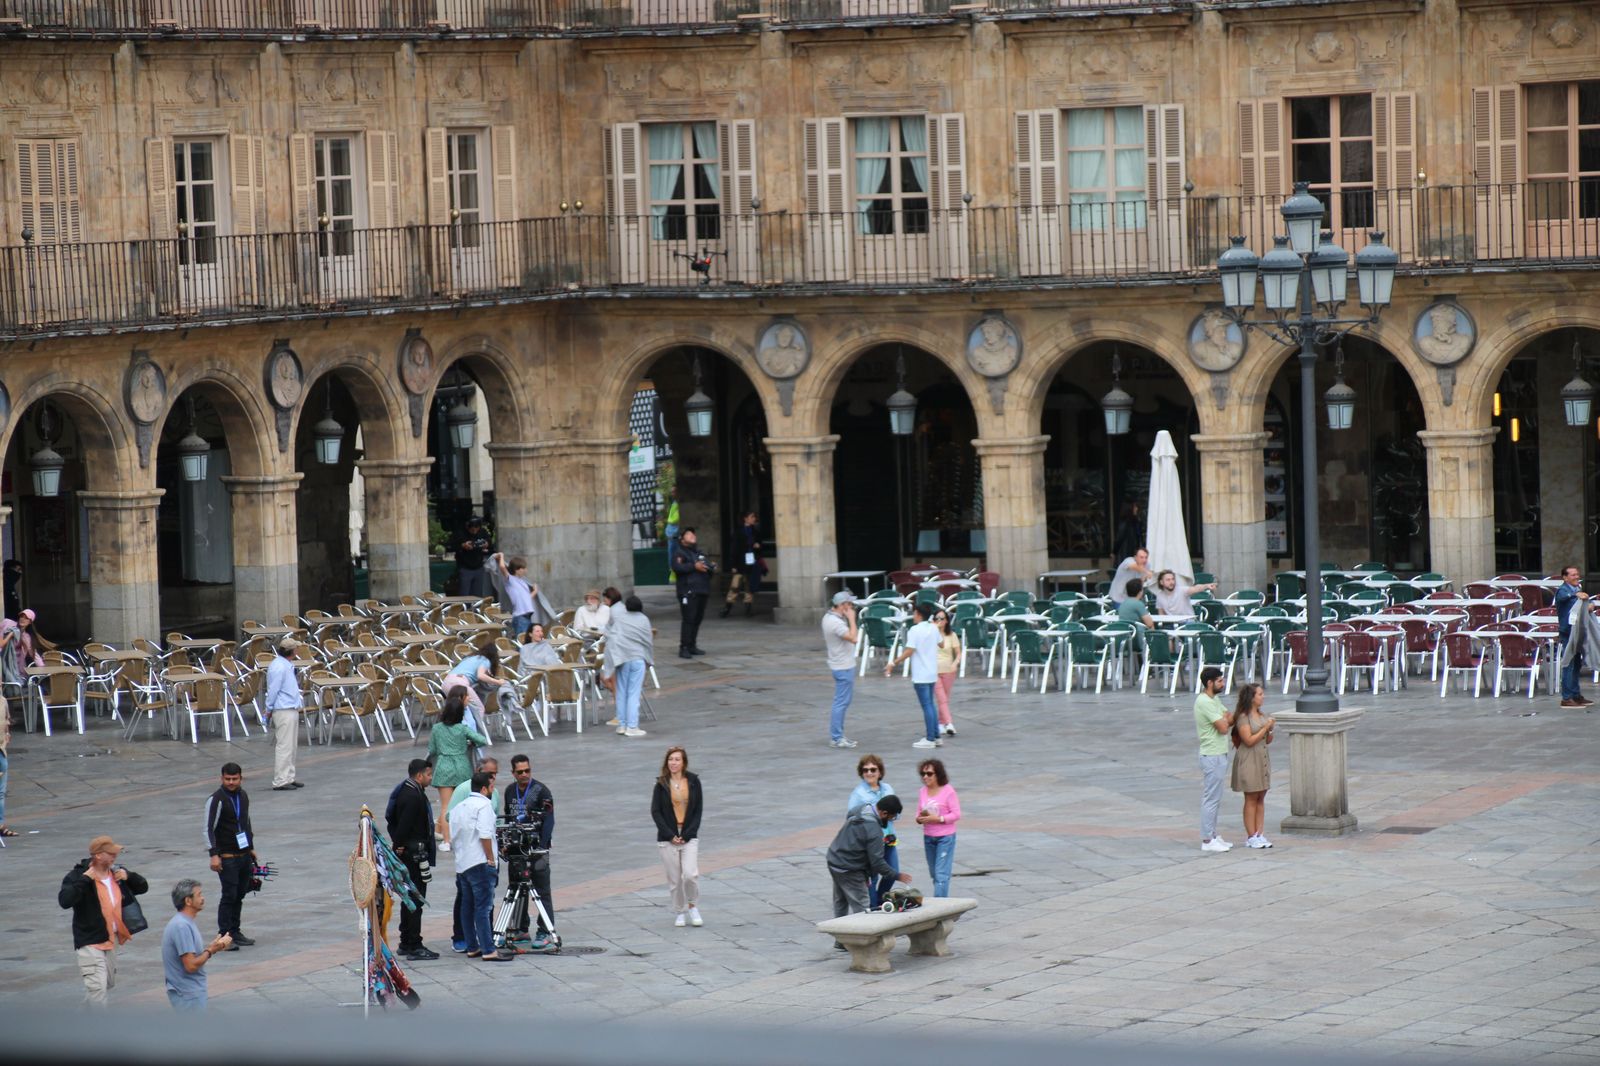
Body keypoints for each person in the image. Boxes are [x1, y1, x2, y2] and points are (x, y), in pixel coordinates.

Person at [59, 835, 149, 1007]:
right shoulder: (78, 876)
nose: (115, 856)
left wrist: (129, 876)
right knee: (97, 990)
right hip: (90, 941)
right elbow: (65, 901)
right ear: (98, 855)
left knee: (106, 984)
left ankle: (78, 1019)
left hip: (111, 939)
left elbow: (143, 887)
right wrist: (85, 880)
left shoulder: (116, 873)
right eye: (111, 853)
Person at [449, 770, 509, 961]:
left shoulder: (459, 807)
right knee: (483, 907)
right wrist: (491, 858)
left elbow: (453, 837)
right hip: (480, 862)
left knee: (467, 907)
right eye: (491, 787)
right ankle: (488, 949)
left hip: (463, 863)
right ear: (484, 789)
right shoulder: (484, 806)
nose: (492, 790)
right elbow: (485, 834)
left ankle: (472, 947)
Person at [385, 758, 439, 961]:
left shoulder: (405, 790)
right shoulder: (413, 796)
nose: (431, 778)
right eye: (429, 774)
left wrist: (398, 844)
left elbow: (392, 819)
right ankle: (414, 944)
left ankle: (406, 941)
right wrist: (399, 844)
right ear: (419, 775)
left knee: (409, 898)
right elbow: (404, 826)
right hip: (413, 855)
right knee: (416, 898)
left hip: (409, 851)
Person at [825, 795, 911, 919]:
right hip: (850, 868)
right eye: (891, 818)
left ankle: (838, 929)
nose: (890, 821)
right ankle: (865, 931)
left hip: (834, 859)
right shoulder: (874, 830)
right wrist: (896, 875)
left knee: (841, 900)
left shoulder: (861, 809)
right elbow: (877, 862)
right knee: (862, 906)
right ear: (884, 813)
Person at [502, 754, 556, 948]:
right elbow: (508, 817)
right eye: (520, 772)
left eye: (527, 770)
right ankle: (520, 928)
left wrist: (542, 846)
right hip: (517, 848)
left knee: (542, 890)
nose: (524, 774)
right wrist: (506, 843)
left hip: (537, 848)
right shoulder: (510, 790)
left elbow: (549, 820)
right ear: (513, 773)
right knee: (517, 888)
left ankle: (545, 930)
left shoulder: (541, 791)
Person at [204, 762, 258, 946]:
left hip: (243, 854)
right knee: (229, 895)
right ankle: (224, 935)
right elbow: (208, 828)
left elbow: (246, 821)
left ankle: (235, 931)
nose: (231, 782)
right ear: (222, 778)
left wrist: (250, 846)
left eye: (235, 779)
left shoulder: (243, 796)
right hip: (227, 856)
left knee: (240, 894)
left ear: (241, 778)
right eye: (227, 779)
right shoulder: (216, 799)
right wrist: (214, 854)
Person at [427, 693, 489, 849]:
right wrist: (469, 744)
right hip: (462, 766)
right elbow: (482, 740)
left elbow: (432, 749)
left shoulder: (437, 729)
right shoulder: (462, 728)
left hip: (444, 767)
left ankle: (447, 841)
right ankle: (463, 837)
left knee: (445, 806)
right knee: (463, 804)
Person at [651, 746, 703, 928]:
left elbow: (698, 810)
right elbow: (656, 812)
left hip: (689, 836)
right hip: (668, 838)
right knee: (674, 879)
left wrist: (687, 834)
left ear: (683, 762)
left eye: (677, 759)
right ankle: (679, 911)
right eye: (671, 759)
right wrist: (669, 835)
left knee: (690, 875)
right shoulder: (661, 784)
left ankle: (693, 906)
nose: (673, 763)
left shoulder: (693, 781)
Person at [161, 879, 232, 1012]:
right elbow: (191, 965)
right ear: (188, 901)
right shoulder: (182, 926)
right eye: (199, 895)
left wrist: (213, 947)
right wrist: (211, 950)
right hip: (188, 994)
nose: (203, 898)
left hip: (189, 992)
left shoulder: (184, 922)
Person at [885, 602, 943, 750]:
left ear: (918, 614)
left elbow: (909, 651)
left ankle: (930, 738)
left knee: (927, 706)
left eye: (914, 613)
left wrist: (894, 662)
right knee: (931, 705)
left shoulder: (914, 630)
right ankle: (936, 736)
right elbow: (941, 644)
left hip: (921, 674)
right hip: (932, 672)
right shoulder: (933, 628)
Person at [847, 755, 898, 908]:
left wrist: (892, 814)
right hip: (870, 844)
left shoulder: (888, 789)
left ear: (880, 772)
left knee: (893, 872)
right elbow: (851, 818)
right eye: (866, 770)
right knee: (872, 879)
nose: (869, 773)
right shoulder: (858, 794)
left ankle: (881, 899)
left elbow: (896, 813)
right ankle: (873, 908)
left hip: (888, 840)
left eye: (873, 769)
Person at [1194, 666, 1235, 853]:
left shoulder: (1214, 699)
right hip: (1211, 754)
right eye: (1219, 681)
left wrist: (1224, 720)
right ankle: (1207, 839)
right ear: (1209, 683)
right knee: (1211, 798)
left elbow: (1229, 717)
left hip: (1219, 752)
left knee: (1216, 797)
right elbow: (1223, 727)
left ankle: (1212, 834)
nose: (1223, 683)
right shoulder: (1204, 702)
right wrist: (1223, 720)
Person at [1230, 683, 1275, 849]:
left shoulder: (1262, 715)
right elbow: (1248, 740)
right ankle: (1251, 835)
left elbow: (1267, 740)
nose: (1263, 697)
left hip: (1262, 757)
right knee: (1251, 797)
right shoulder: (1244, 717)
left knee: (1261, 796)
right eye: (1260, 694)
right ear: (1252, 697)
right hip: (1249, 759)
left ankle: (1259, 833)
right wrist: (1265, 728)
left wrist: (1270, 730)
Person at [606, 594, 654, 738]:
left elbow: (611, 637)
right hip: (638, 658)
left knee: (621, 692)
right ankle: (632, 726)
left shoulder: (620, 619)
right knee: (634, 693)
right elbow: (648, 640)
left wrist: (611, 662)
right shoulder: (644, 619)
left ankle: (622, 725)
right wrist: (649, 660)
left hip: (622, 659)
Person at [444, 640, 514, 735]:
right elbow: (480, 676)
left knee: (458, 709)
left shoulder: (469, 658)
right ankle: (474, 735)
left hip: (446, 682)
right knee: (478, 708)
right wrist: (498, 682)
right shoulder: (485, 660)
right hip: (459, 683)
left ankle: (453, 733)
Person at [264, 637, 305, 791]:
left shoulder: (285, 665)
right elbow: (273, 690)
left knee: (291, 746)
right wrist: (268, 709)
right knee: (284, 746)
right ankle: (280, 780)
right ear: (292, 651)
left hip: (290, 708)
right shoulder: (279, 667)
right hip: (283, 709)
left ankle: (289, 777)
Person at [916, 758, 961, 898]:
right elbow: (919, 812)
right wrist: (920, 818)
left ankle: (939, 905)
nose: (925, 777)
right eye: (923, 774)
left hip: (945, 837)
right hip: (929, 836)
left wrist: (939, 819)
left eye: (929, 774)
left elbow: (956, 814)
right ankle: (941, 900)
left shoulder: (948, 791)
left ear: (938, 774)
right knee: (934, 873)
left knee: (941, 874)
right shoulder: (922, 791)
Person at [821, 591, 860, 748]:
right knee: (841, 702)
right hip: (843, 666)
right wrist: (852, 619)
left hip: (841, 664)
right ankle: (837, 737)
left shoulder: (829, 617)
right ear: (842, 605)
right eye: (849, 604)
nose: (851, 607)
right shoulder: (835, 623)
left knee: (842, 701)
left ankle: (838, 735)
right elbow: (854, 638)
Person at [671, 528, 713, 659]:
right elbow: (677, 567)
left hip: (701, 590)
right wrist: (694, 566)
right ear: (682, 539)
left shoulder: (698, 553)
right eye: (688, 534)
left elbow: (706, 567)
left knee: (697, 619)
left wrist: (711, 567)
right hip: (688, 591)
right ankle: (683, 647)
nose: (692, 536)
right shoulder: (679, 553)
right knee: (688, 619)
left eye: (693, 534)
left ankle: (692, 645)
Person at [1555, 566, 1592, 708]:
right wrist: (1576, 595)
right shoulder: (1563, 590)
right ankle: (1567, 698)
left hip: (1577, 631)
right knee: (1568, 664)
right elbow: (1564, 598)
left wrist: (1589, 605)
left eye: (1577, 574)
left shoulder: (1577, 588)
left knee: (1576, 664)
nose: (1577, 577)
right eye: (1573, 575)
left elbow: (1582, 604)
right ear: (1565, 577)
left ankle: (1576, 695)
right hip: (1568, 632)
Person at [721, 511, 763, 617]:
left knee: (750, 586)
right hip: (740, 563)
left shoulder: (755, 531)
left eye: (754, 517)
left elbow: (760, 545)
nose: (754, 519)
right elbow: (734, 549)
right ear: (745, 518)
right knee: (735, 586)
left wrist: (758, 546)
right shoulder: (738, 532)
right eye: (752, 517)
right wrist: (733, 565)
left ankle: (748, 608)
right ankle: (727, 607)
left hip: (752, 562)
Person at [494, 555, 538, 638]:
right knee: (522, 639)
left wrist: (535, 592)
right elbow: (502, 567)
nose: (525, 570)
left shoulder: (523, 582)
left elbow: (527, 598)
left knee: (527, 639)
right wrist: (501, 556)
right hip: (520, 616)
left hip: (527, 615)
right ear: (517, 569)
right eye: (523, 568)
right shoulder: (511, 580)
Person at [931, 608, 960, 738]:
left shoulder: (951, 635)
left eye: (942, 618)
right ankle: (949, 723)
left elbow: (958, 653)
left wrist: (955, 663)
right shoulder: (931, 635)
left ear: (947, 621)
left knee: (944, 699)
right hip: (934, 671)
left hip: (948, 670)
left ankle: (940, 723)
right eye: (937, 618)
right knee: (941, 698)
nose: (939, 621)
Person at [1154, 570, 1218, 620]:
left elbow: (1196, 588)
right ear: (1161, 582)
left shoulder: (1182, 590)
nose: (1171, 582)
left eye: (1173, 579)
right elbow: (1161, 614)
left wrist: (1206, 586)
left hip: (1187, 622)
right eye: (1168, 580)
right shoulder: (1159, 596)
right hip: (1171, 624)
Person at [455, 515, 493, 598]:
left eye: (476, 527)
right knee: (464, 594)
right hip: (465, 567)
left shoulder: (483, 532)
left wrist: (486, 544)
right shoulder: (461, 533)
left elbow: (489, 542)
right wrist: (463, 545)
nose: (474, 530)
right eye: (472, 528)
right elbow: (454, 545)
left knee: (477, 594)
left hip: (478, 566)